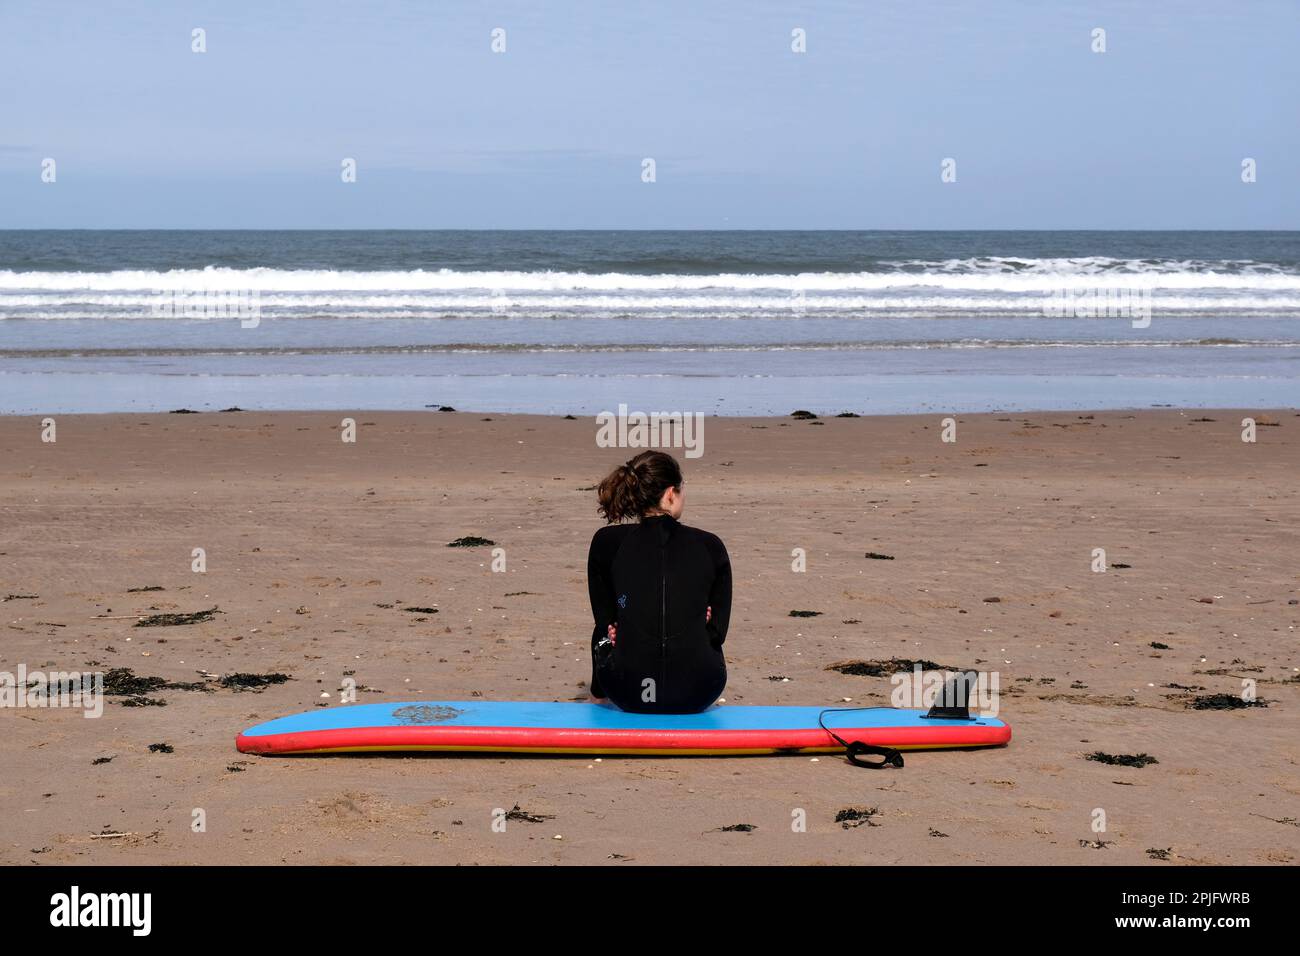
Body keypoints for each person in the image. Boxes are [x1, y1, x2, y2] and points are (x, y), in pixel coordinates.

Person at [586, 450, 731, 713]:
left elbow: (605, 620)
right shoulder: (711, 545)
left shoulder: (606, 542)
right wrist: (699, 622)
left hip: (625, 691)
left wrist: (619, 627)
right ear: (670, 493)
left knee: (601, 632)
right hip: (699, 690)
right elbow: (717, 633)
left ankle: (598, 699)